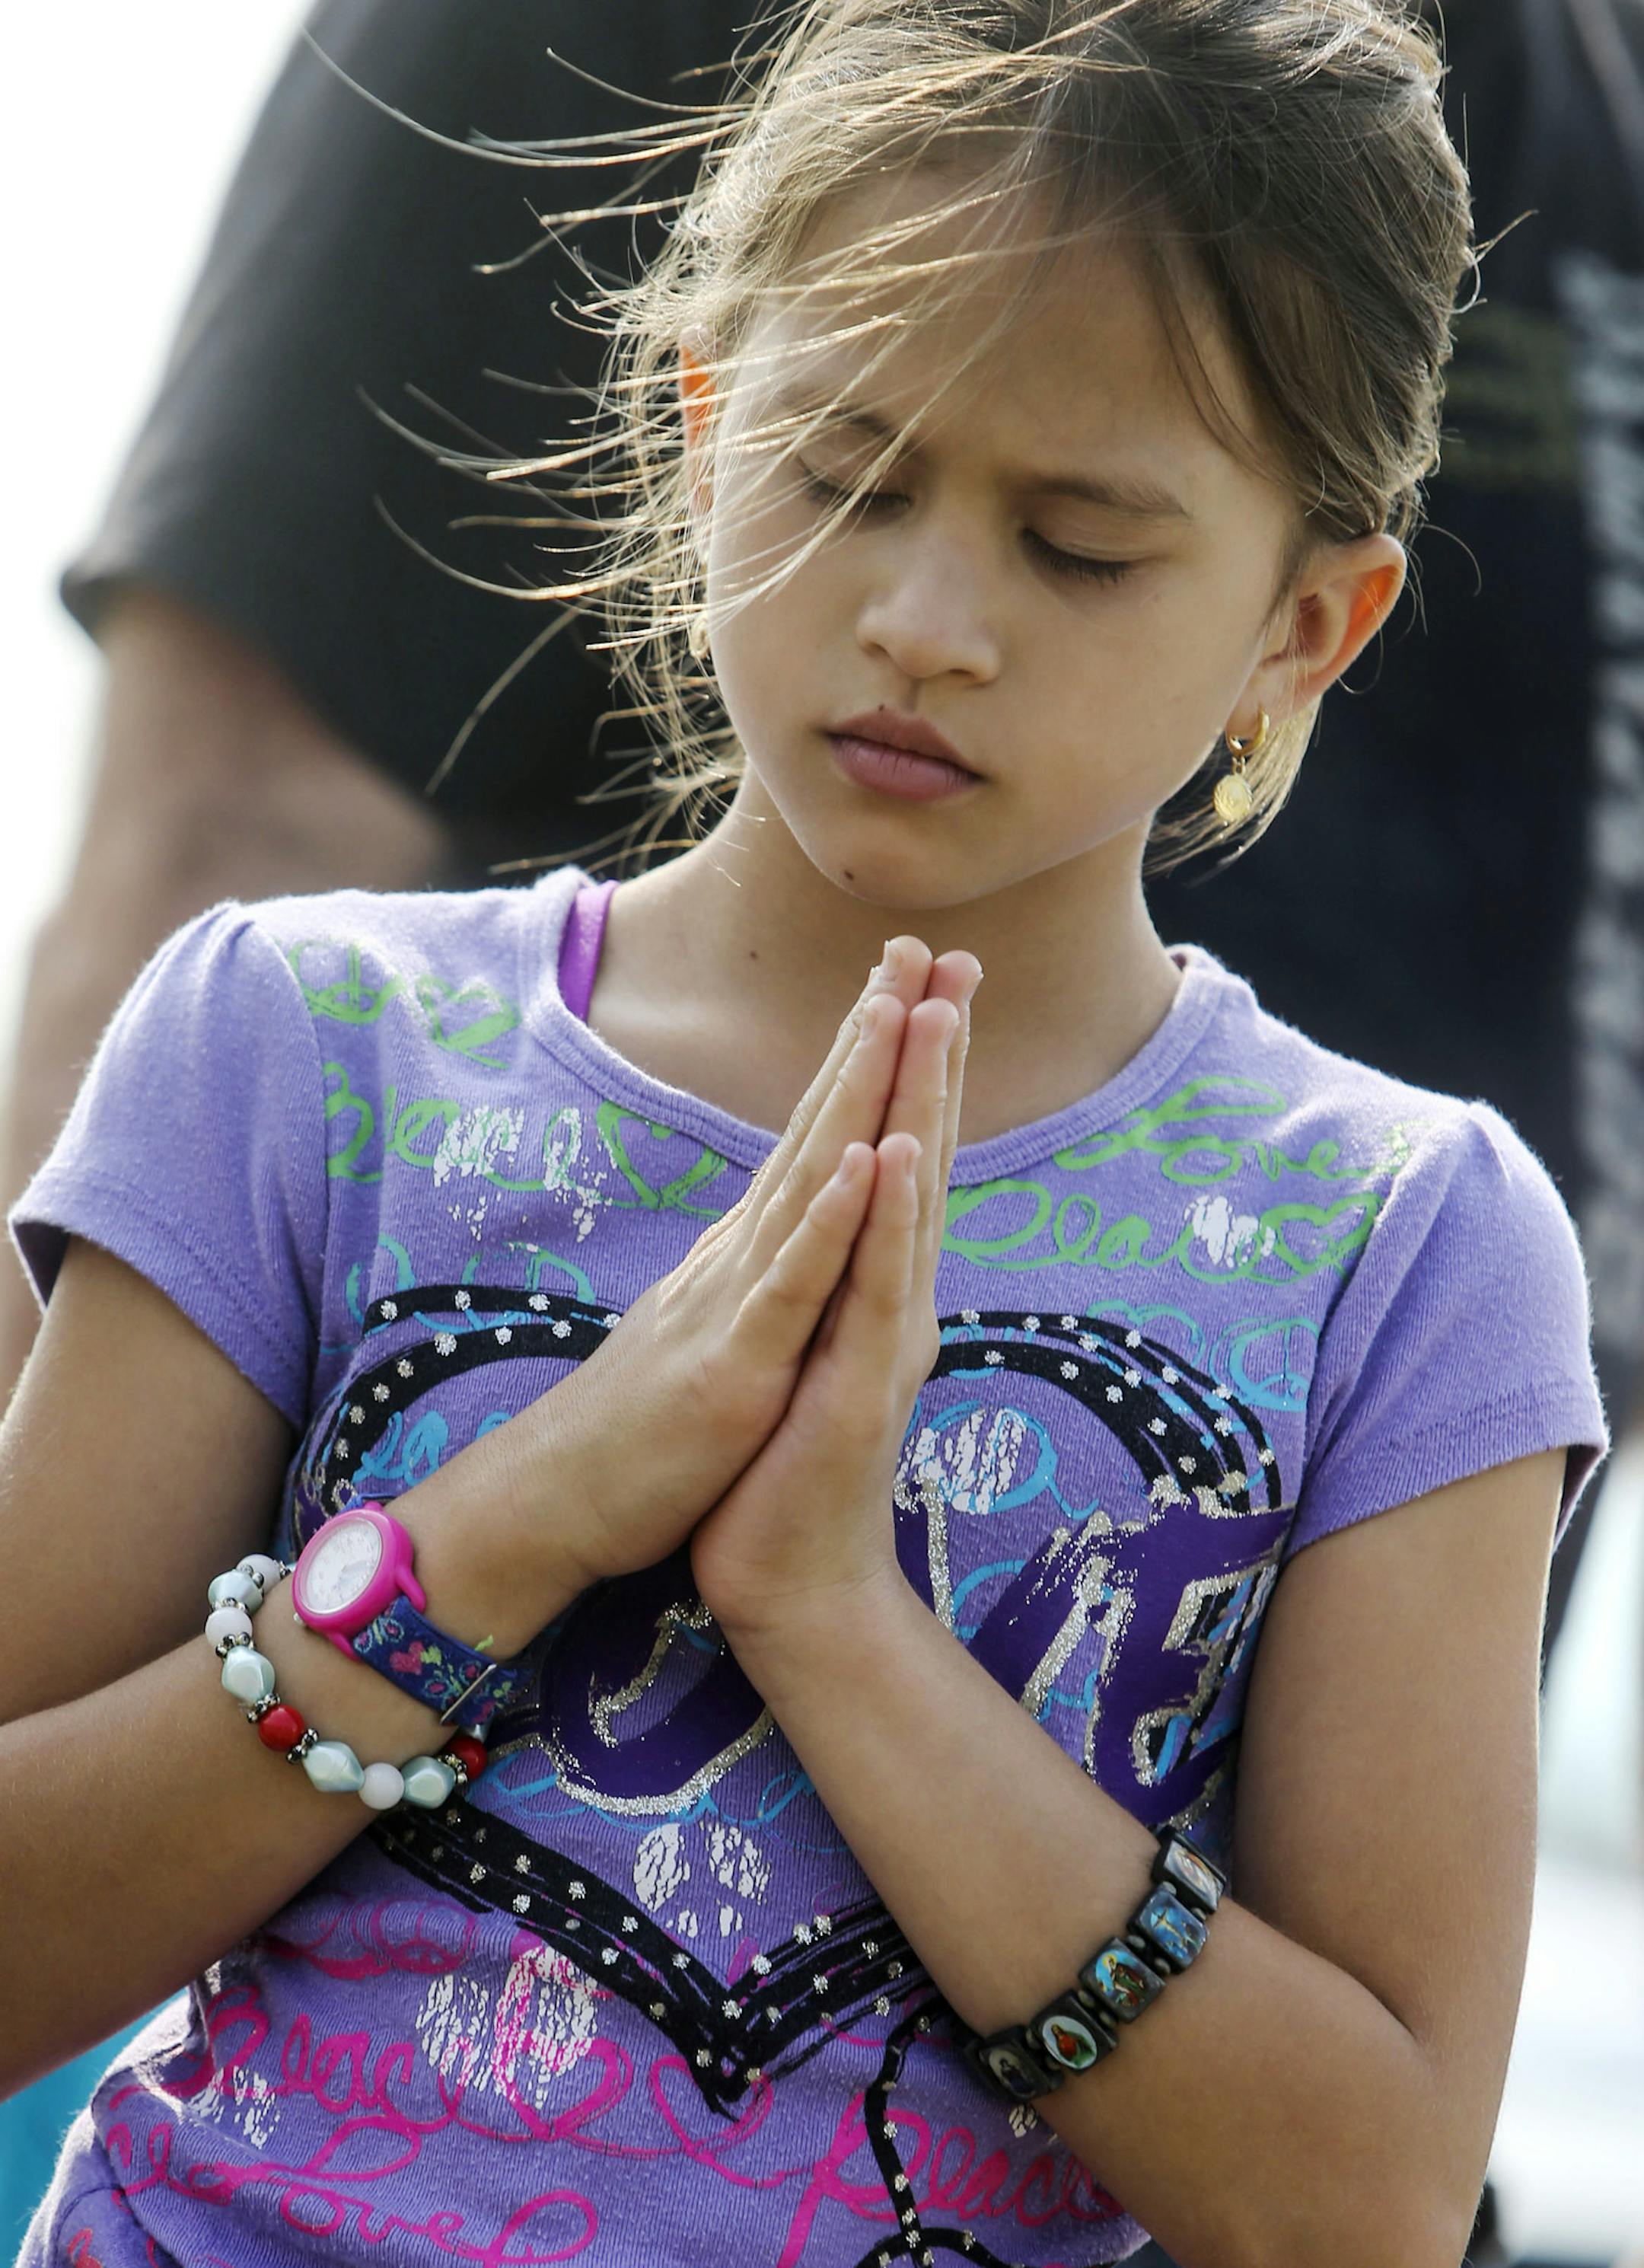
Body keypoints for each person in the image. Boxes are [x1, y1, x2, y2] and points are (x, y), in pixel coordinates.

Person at [0, 5, 1611, 2266]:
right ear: (698, 431)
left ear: (1306, 624)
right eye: (845, 477)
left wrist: (840, 1624)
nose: (926, 624)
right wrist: (512, 1524)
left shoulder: (1399, 1251)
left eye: (1081, 546)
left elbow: (1363, 2206)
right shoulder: (302, 1052)